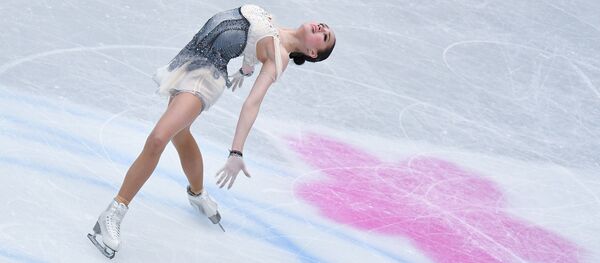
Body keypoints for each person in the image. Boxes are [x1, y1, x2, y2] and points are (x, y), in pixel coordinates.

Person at [87, 4, 336, 258]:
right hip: (189, 59)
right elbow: (252, 41)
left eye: (324, 36)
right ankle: (197, 194)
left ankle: (115, 211)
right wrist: (245, 68)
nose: (322, 28)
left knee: (158, 139)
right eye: (324, 26)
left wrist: (236, 152)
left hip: (204, 78)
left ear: (312, 52)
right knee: (181, 136)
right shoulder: (273, 22)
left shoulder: (279, 56)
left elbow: (253, 103)